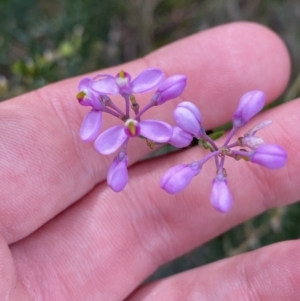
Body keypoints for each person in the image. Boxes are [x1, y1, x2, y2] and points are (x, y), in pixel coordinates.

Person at [0, 21, 298, 301]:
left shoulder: (151, 116)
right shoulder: (118, 122)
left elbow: (174, 126)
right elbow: (161, 129)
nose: (122, 84)